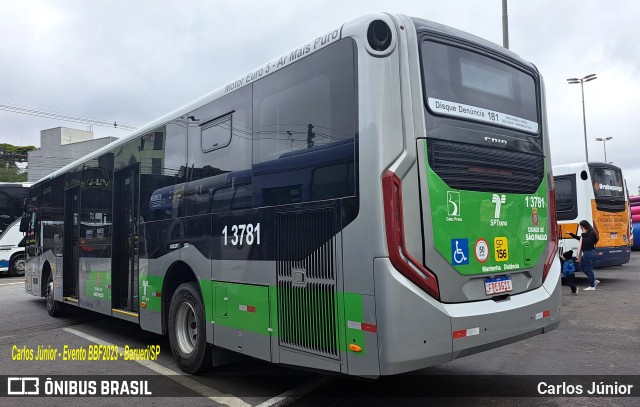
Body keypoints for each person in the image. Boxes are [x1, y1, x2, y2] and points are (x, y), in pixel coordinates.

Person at [567, 220, 600, 291]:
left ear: (584, 226)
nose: (581, 228)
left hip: (589, 252)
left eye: (581, 227)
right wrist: (571, 234)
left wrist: (584, 234)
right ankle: (593, 280)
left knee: (589, 269)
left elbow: (588, 242)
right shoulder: (586, 233)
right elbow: (581, 239)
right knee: (581, 266)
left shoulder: (592, 233)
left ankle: (592, 286)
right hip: (586, 253)